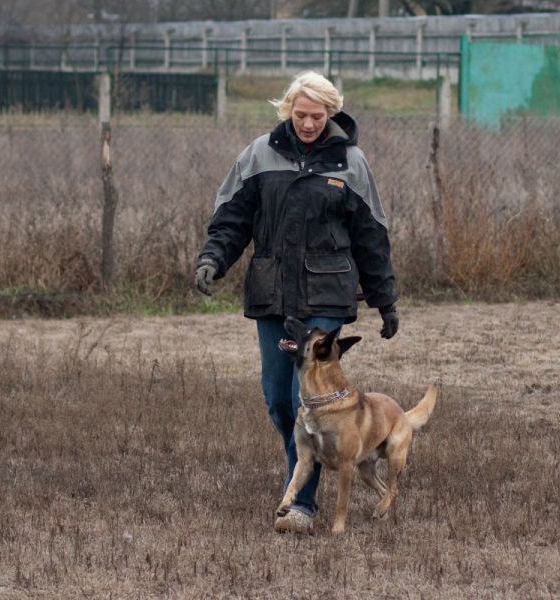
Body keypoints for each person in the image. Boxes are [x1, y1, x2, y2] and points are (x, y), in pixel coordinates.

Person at [194, 71, 399, 534]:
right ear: (287, 109)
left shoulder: (351, 162)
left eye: (317, 116)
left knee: (304, 398)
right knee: (279, 402)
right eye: (301, 114)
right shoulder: (257, 155)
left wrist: (385, 299)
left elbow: (371, 236)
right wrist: (212, 259)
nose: (308, 124)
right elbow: (231, 218)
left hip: (327, 295)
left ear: (331, 114)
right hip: (272, 295)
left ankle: (301, 504)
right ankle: (306, 471)